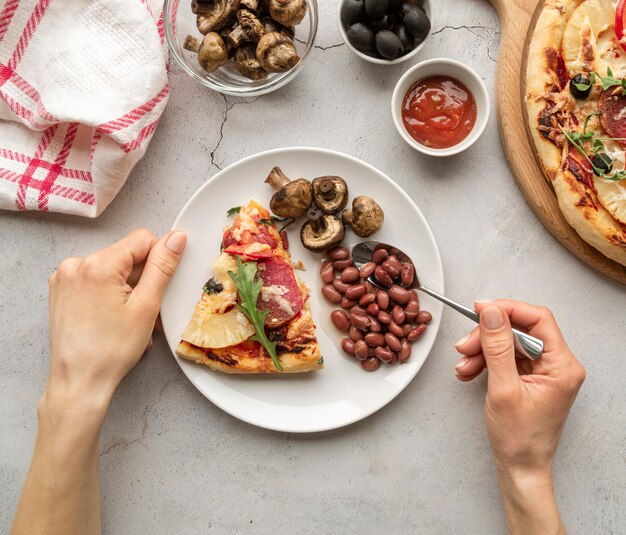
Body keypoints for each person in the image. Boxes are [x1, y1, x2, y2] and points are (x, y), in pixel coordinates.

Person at [9, 229, 586, 535]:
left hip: (263, 347)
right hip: (255, 345)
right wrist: (526, 473)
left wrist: (74, 388)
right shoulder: (248, 326)